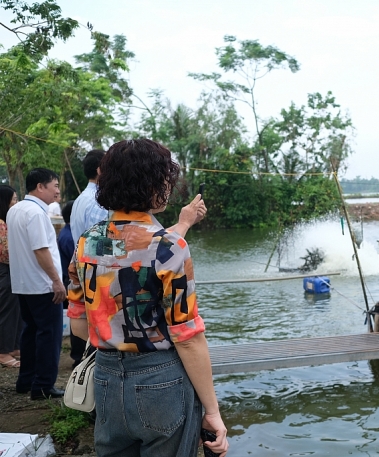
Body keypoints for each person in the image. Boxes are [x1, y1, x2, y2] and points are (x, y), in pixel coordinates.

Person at [68, 139, 228, 457]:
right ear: (154, 185)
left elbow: (79, 326)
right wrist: (212, 411)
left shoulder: (89, 243)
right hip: (161, 381)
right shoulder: (169, 247)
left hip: (107, 379)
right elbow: (188, 339)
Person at [7, 168, 66, 400]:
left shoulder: (16, 209)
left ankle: (26, 380)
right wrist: (56, 281)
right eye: (55, 186)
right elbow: (41, 250)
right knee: (48, 335)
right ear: (40, 187)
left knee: (30, 332)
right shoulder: (36, 213)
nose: (57, 191)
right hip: (43, 285)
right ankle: (42, 385)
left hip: (23, 282)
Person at [56, 200, 84, 367]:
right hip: (71, 279)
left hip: (69, 277)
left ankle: (77, 354)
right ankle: (78, 355)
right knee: (79, 316)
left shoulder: (67, 233)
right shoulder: (69, 237)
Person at [0, 185, 21, 368]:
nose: (15, 203)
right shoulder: (1, 224)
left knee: (13, 310)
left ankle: (12, 346)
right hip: (4, 270)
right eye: (13, 199)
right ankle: (3, 352)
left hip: (7, 270)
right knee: (7, 311)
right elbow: (5, 253)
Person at [70, 149, 108, 246]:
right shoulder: (99, 201)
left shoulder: (80, 199)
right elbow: (100, 245)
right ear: (100, 170)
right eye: (110, 166)